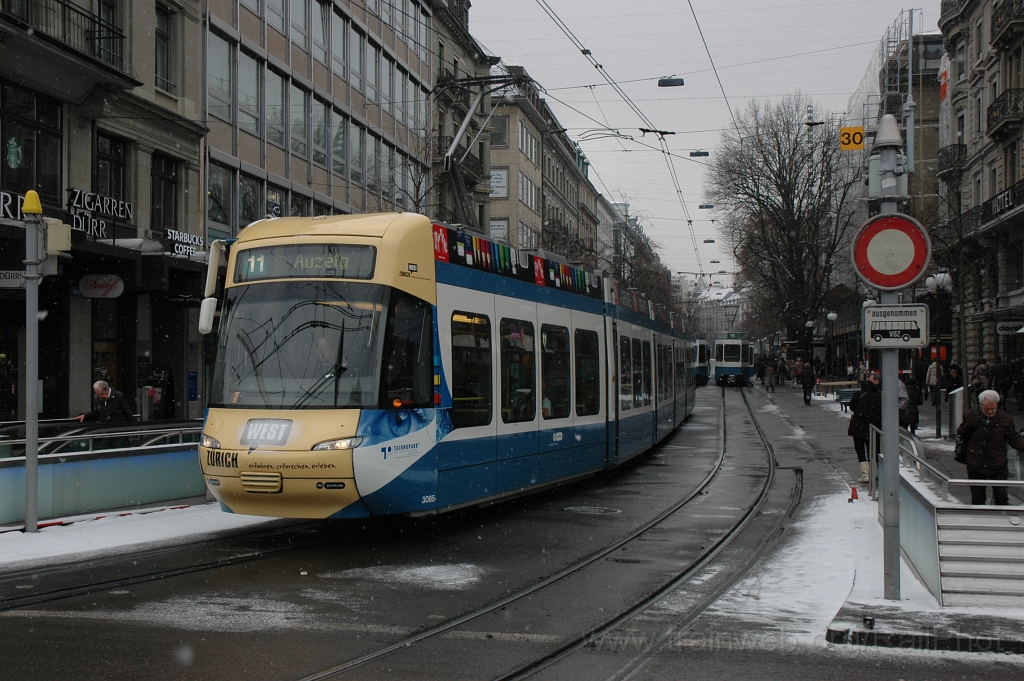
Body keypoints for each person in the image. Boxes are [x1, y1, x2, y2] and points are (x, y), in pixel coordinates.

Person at [957, 390, 1024, 505]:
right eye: (987, 408)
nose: (990, 411)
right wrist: (968, 426)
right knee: (978, 499)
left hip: (997, 463)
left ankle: (1000, 520)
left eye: (993, 408)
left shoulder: (1005, 419)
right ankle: (980, 520)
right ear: (981, 405)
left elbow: (1013, 439)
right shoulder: (970, 416)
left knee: (1001, 498)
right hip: (976, 463)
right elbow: (961, 435)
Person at [848, 374, 881, 483]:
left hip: (858, 426)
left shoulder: (858, 394)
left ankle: (865, 474)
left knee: (860, 450)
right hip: (872, 427)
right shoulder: (877, 396)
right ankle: (875, 471)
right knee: (873, 450)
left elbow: (851, 406)